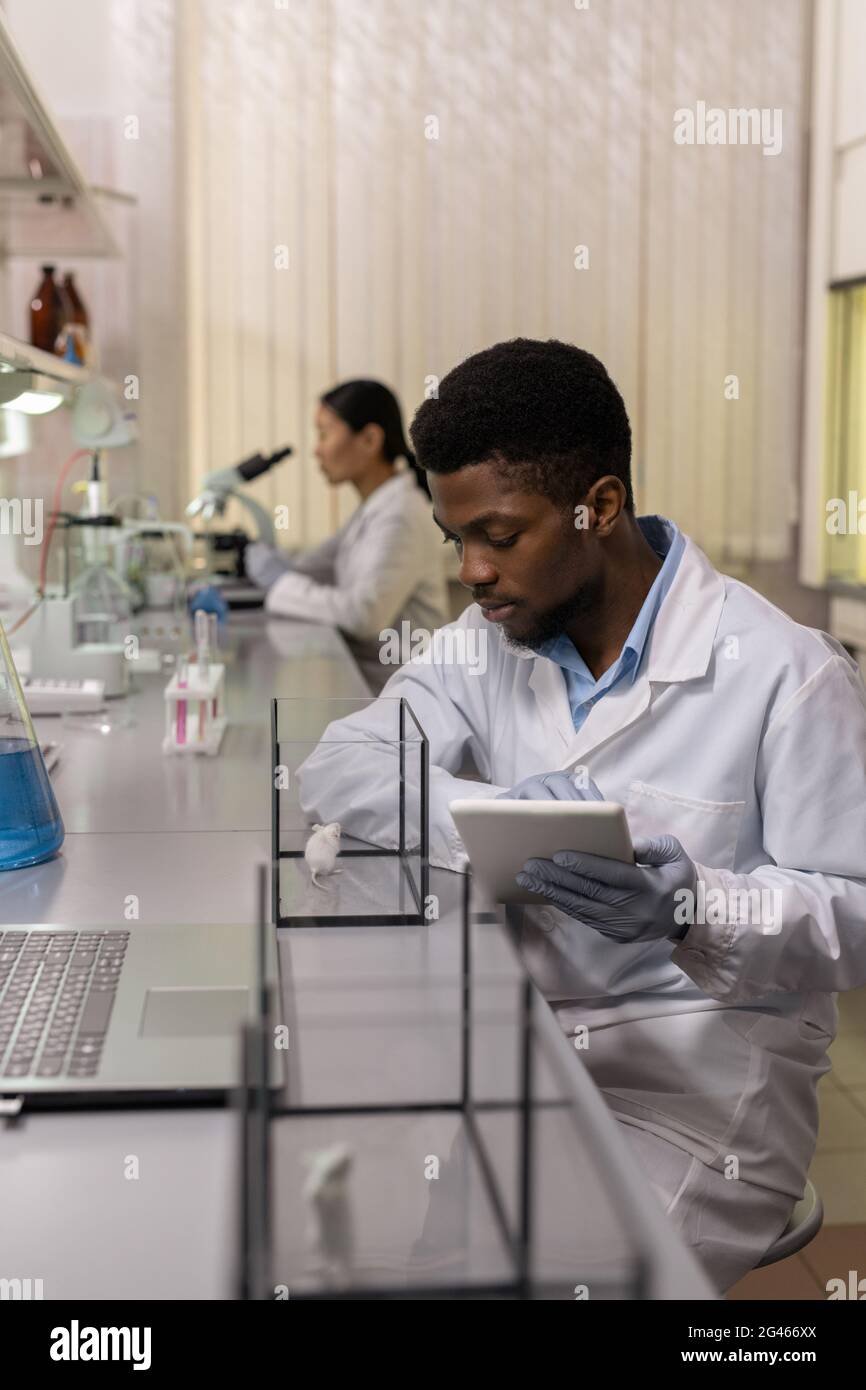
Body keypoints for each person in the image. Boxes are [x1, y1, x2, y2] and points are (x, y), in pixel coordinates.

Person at [297, 337, 866, 1292]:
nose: (473, 571)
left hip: (697, 1098)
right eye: (456, 540)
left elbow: (856, 908)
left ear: (598, 506)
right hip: (527, 1067)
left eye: (501, 536)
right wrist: (490, 806)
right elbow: (339, 767)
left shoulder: (786, 672)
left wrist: (699, 910)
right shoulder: (487, 645)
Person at [245, 379, 448, 691]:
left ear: (369, 439)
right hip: (375, 687)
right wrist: (275, 569)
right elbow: (316, 565)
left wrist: (279, 580)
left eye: (324, 434)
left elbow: (363, 616)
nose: (317, 450)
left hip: (406, 698)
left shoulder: (400, 516)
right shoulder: (374, 508)